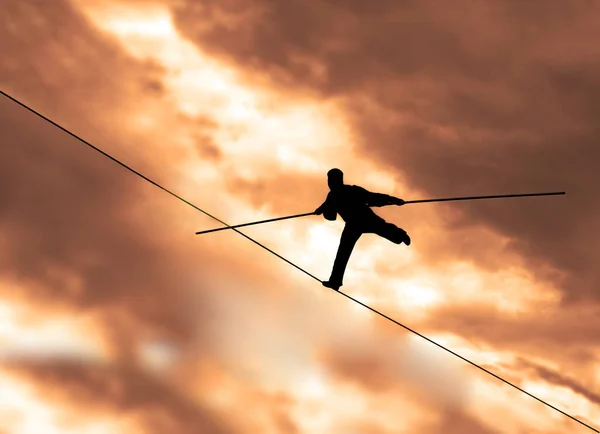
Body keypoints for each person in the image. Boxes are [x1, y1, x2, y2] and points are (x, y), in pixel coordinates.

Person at [314, 168, 411, 290]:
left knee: (383, 229)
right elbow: (328, 211)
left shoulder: (350, 191)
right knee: (343, 252)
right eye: (329, 180)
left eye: (331, 180)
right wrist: (320, 210)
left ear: (337, 180)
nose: (330, 183)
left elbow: (373, 197)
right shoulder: (333, 195)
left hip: (364, 218)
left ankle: (401, 235)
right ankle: (335, 281)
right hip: (353, 224)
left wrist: (393, 200)